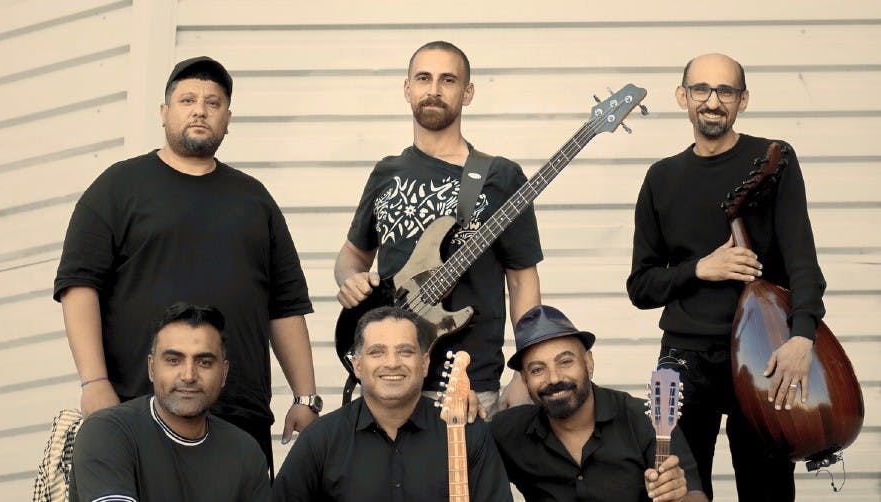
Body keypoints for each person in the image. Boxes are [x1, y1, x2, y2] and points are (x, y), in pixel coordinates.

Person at [53, 56, 320, 477]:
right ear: (164, 113)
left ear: (228, 119)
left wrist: (305, 397)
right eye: (187, 100)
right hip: (141, 407)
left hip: (240, 415)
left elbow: (285, 305)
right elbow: (78, 286)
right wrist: (94, 382)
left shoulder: (255, 199)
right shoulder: (118, 187)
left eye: (213, 103)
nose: (200, 109)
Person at [626, 53, 826, 501]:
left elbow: (803, 261)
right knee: (682, 490)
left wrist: (802, 337)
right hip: (684, 358)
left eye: (725, 91)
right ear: (683, 97)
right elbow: (640, 286)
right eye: (701, 90)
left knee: (768, 488)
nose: (712, 101)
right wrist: (701, 268)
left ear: (743, 100)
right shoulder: (661, 178)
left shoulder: (774, 160)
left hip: (763, 353)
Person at [335, 41, 543, 419]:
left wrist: (526, 371)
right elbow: (352, 255)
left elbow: (522, 282)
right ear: (407, 89)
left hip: (466, 384)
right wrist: (350, 279)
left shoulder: (500, 176)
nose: (434, 89)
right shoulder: (387, 172)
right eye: (423, 78)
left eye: (448, 80)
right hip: (386, 380)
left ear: (467, 92)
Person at [273, 306, 512, 501]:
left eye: (405, 351)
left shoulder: (466, 433)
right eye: (377, 352)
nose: (392, 363)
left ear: (425, 363)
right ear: (357, 365)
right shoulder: (321, 440)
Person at [490, 305, 706, 502]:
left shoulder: (648, 420)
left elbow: (696, 496)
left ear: (588, 363)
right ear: (525, 380)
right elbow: (466, 461)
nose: (554, 378)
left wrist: (679, 494)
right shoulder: (507, 431)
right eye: (538, 369)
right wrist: (462, 403)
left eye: (565, 362)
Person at [69, 303, 270, 501]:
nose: (189, 376)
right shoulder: (107, 432)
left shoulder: (246, 453)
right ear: (152, 368)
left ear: (224, 373)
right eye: (174, 360)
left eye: (204, 362)